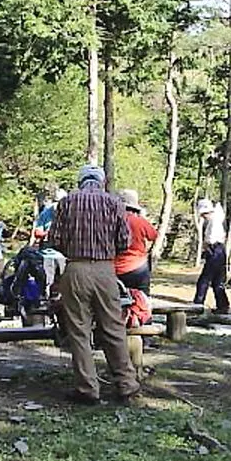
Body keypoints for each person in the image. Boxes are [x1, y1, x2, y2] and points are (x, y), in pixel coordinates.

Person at [49, 165, 139, 405]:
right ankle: (126, 384)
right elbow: (124, 241)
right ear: (102, 181)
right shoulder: (115, 203)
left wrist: (73, 249)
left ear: (81, 181)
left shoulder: (67, 202)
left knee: (79, 331)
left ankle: (87, 388)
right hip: (105, 270)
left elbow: (54, 239)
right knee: (113, 328)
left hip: (75, 268)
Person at [114, 189, 158, 295]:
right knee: (142, 298)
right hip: (138, 267)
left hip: (115, 268)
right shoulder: (139, 221)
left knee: (115, 300)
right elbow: (153, 235)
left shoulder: (111, 221)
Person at [193, 199, 230, 313]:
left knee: (204, 280)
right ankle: (223, 306)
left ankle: (198, 305)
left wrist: (206, 246)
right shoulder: (216, 219)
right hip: (219, 251)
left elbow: (211, 239)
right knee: (217, 282)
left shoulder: (214, 221)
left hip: (215, 251)